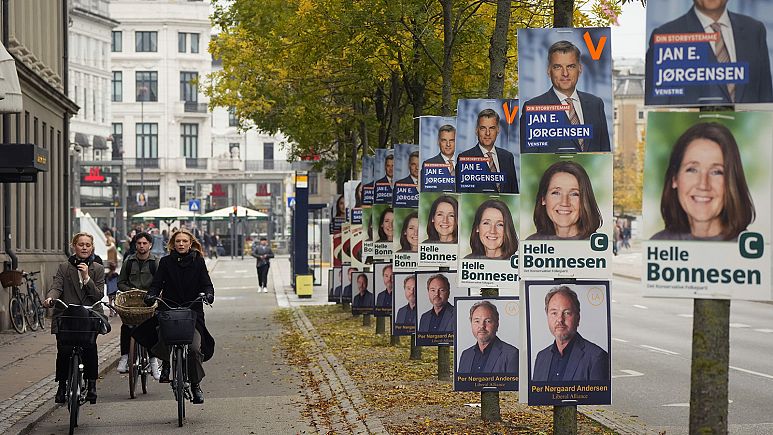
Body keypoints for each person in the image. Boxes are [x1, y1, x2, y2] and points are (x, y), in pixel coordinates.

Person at [645, 0, 772, 105]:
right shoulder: (666, 37)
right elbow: (656, 107)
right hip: (695, 133)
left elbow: (766, 98)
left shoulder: (755, 31)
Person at [140, 228, 215, 404]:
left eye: (184, 241)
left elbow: (207, 284)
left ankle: (196, 385)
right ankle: (166, 363)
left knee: (195, 349)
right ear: (173, 244)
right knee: (160, 336)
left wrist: (208, 295)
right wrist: (151, 295)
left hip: (192, 311)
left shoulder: (198, 262)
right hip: (169, 308)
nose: (181, 244)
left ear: (190, 244)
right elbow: (156, 284)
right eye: (178, 241)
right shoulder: (165, 262)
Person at [651, 122, 754, 241]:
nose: (703, 184)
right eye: (692, 169)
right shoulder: (659, 244)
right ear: (674, 178)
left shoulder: (749, 249)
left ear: (731, 182)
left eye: (716, 172)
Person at [44, 232, 106, 405]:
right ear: (74, 246)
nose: (84, 247)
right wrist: (50, 298)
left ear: (92, 247)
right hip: (68, 315)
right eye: (81, 244)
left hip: (88, 316)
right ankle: (62, 386)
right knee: (63, 351)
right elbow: (56, 287)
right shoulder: (64, 267)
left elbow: (98, 295)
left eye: (87, 244)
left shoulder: (98, 269)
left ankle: (92, 385)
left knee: (90, 349)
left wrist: (87, 277)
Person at [520, 40, 611, 152]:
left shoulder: (596, 104)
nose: (565, 73)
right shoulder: (533, 108)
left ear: (580, 68)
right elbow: (528, 158)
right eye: (558, 67)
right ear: (549, 71)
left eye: (571, 66)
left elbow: (604, 151)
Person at [532, 286, 609, 382]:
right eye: (554, 313)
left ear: (578, 318)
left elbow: (599, 397)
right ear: (547, 316)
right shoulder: (541, 358)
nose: (560, 319)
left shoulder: (596, 358)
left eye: (567, 313)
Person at [116, 231, 161, 379]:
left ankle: (153, 361)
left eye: (144, 243)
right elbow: (120, 282)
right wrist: (130, 291)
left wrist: (153, 294)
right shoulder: (129, 262)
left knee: (152, 327)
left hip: (149, 301)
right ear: (135, 245)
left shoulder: (155, 262)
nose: (141, 246)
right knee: (126, 326)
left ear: (150, 245)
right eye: (139, 243)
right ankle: (124, 357)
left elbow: (161, 282)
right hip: (131, 302)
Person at [527, 161, 602, 240]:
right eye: (556, 193)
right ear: (543, 199)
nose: (564, 202)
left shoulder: (597, 245)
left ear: (585, 200)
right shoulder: (531, 242)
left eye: (574, 194)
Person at [457, 109, 519, 193]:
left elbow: (514, 191)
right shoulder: (465, 158)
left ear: (498, 130)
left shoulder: (508, 157)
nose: (487, 133)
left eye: (492, 128)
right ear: (476, 130)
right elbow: (461, 194)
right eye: (483, 128)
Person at [458, 301, 519, 374]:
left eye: (488, 321)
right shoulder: (466, 355)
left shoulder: (511, 355)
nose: (481, 326)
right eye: (477, 321)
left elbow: (513, 385)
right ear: (471, 323)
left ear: (497, 324)